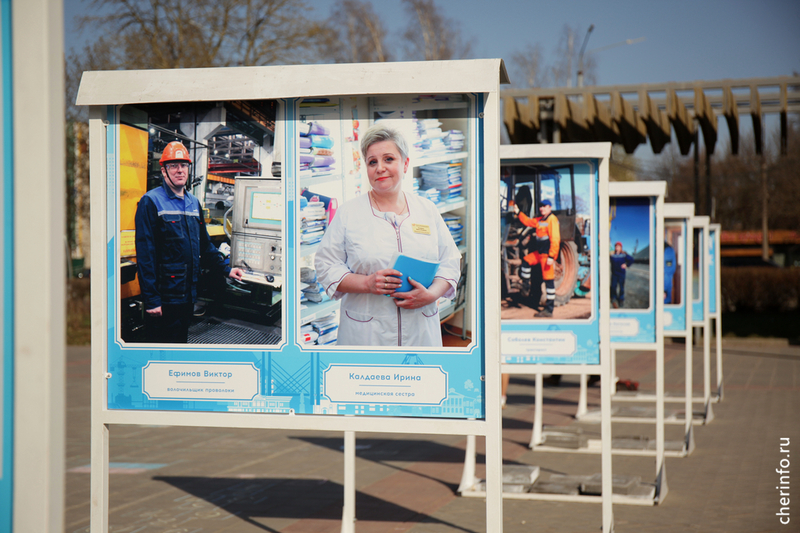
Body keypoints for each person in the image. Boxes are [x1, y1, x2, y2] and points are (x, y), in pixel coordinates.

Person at [315, 123, 461, 346]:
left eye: (389, 159)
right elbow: (326, 265)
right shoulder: (349, 213)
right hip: (366, 334)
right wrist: (367, 284)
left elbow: (450, 262)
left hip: (420, 330)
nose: (380, 168)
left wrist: (431, 294)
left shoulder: (427, 210)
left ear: (405, 164)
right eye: (372, 162)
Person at [135, 141, 244, 343]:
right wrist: (151, 299)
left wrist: (226, 269)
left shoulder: (193, 203)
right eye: (173, 165)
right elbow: (145, 255)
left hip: (188, 295)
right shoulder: (150, 202)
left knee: (180, 347)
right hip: (165, 298)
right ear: (163, 170)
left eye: (184, 165)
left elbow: (205, 245)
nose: (180, 170)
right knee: (160, 353)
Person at [514, 199, 560, 317]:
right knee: (526, 261)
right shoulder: (540, 220)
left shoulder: (552, 220)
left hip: (546, 255)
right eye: (540, 206)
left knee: (549, 281)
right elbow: (528, 222)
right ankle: (525, 284)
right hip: (539, 254)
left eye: (544, 206)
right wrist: (519, 212)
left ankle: (549, 310)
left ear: (549, 207)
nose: (542, 209)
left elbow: (555, 239)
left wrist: (551, 256)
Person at [610, 241, 635, 308]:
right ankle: (613, 297)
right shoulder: (612, 255)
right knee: (613, 287)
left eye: (618, 246)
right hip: (614, 274)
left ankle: (621, 299)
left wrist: (626, 265)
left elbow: (632, 259)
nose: (617, 247)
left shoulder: (624, 254)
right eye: (616, 246)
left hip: (621, 274)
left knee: (621, 288)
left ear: (621, 247)